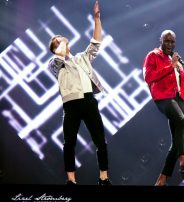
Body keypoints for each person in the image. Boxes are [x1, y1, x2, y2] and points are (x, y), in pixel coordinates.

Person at [48, 0, 111, 185]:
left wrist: (97, 19)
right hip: (71, 105)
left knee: (100, 141)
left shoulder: (81, 58)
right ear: (54, 49)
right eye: (58, 42)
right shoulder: (54, 64)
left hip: (89, 101)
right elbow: (59, 53)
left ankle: (104, 177)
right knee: (69, 143)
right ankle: (71, 180)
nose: (63, 43)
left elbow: (96, 42)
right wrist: (61, 42)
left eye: (62, 41)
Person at [143, 30, 184, 186]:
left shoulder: (176, 60)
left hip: (178, 99)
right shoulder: (153, 55)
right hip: (163, 97)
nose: (169, 44)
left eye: (172, 41)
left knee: (176, 140)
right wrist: (170, 65)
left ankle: (162, 178)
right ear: (160, 40)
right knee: (181, 121)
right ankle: (182, 161)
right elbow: (148, 77)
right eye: (166, 41)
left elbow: (182, 85)